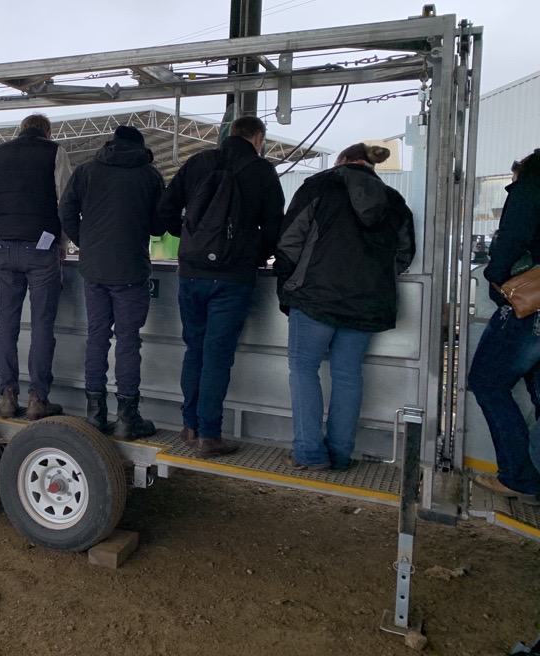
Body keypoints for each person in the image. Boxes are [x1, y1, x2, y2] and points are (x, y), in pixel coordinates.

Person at [274, 143, 415, 471]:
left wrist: (288, 282)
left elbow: (289, 241)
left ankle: (309, 452)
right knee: (348, 373)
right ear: (369, 165)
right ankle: (339, 454)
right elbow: (403, 255)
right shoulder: (394, 201)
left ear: (342, 161)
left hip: (314, 297)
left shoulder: (320, 185)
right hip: (368, 303)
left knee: (304, 370)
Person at [158, 115, 284, 457]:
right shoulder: (261, 171)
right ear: (258, 138)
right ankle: (209, 435)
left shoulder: (197, 162)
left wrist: (189, 237)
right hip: (233, 279)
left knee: (195, 350)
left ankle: (189, 426)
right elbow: (275, 227)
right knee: (217, 355)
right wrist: (253, 254)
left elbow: (163, 211)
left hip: (191, 273)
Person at [0, 113, 72, 420]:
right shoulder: (55, 151)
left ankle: (7, 396)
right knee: (41, 325)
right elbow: (65, 201)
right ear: (47, 132)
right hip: (41, 249)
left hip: (4, 249)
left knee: (6, 324)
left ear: (20, 131)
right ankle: (38, 399)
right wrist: (63, 243)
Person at [58, 125, 165, 438]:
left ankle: (95, 414)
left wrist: (86, 243)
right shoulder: (150, 175)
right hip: (131, 270)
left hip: (94, 270)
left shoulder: (87, 170)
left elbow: (65, 212)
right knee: (128, 341)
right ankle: (127, 419)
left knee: (97, 337)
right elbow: (159, 227)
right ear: (140, 145)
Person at [467, 150, 540, 504]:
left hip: (530, 305)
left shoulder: (531, 188)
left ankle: (519, 477)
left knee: (487, 382)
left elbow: (511, 241)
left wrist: (496, 278)